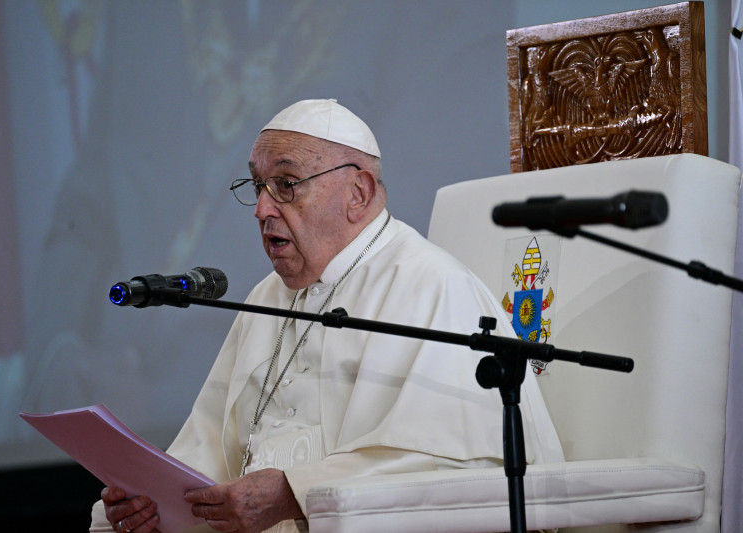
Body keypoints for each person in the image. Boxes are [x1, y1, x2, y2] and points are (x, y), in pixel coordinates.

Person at [90, 99, 563, 533]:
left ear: (359, 192)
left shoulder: (432, 286)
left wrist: (296, 493)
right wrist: (153, 502)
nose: (261, 209)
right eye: (257, 185)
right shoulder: (266, 296)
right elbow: (208, 453)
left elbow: (456, 472)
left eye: (286, 184)